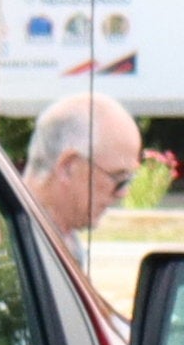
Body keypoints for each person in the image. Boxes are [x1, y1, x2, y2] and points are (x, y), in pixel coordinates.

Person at [21, 88, 142, 247]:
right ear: (68, 167)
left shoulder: (60, 241)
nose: (122, 193)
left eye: (128, 180)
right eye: (119, 178)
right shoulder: (13, 245)